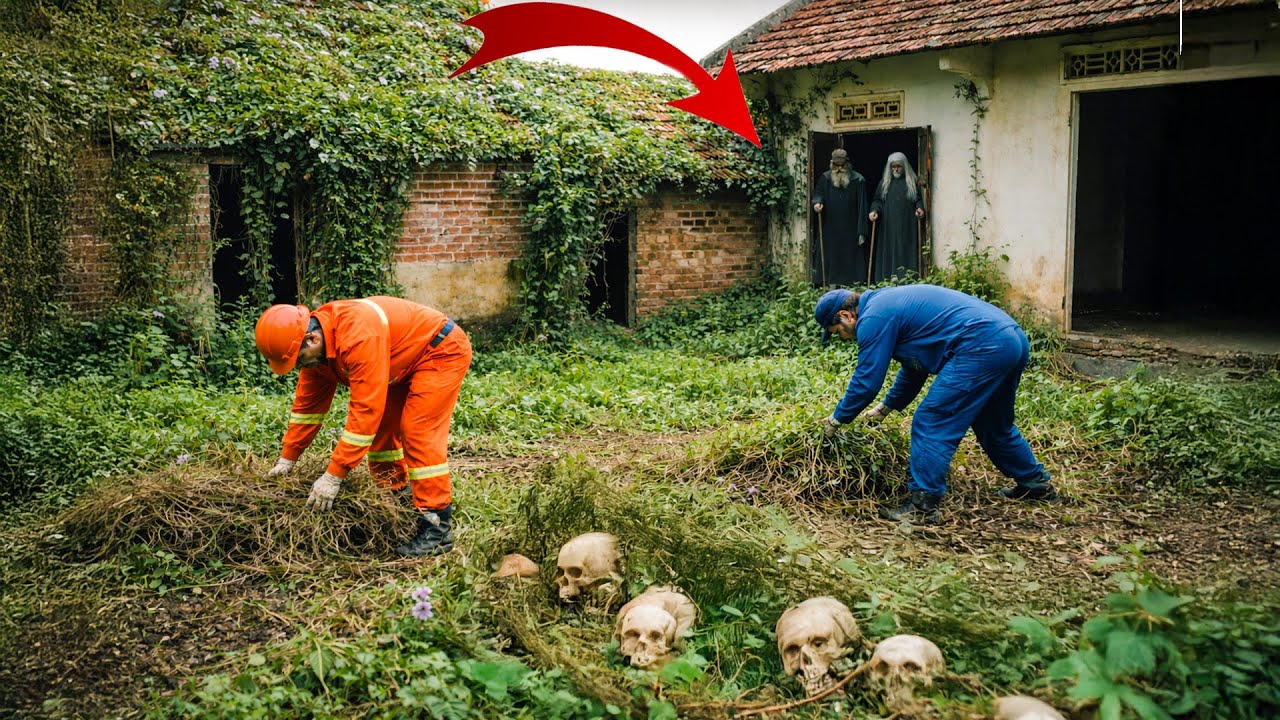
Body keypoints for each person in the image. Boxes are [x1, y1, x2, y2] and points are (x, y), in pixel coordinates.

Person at [813, 285, 1057, 523]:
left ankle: (923, 507)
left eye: (838, 332)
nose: (844, 338)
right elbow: (914, 366)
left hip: (981, 344)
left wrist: (837, 419)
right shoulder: (886, 303)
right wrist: (887, 406)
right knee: (992, 421)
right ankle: (1036, 485)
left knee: (931, 420)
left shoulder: (873, 317)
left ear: (846, 316)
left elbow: (867, 380)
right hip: (1009, 338)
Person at [254, 296, 472, 556]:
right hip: (398, 361)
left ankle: (437, 528)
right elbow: (306, 411)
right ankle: (398, 497)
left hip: (439, 350)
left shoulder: (357, 336)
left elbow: (365, 412)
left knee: (417, 433)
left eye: (298, 360)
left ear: (312, 339)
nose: (299, 367)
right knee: (382, 437)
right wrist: (286, 460)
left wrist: (334, 475)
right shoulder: (317, 353)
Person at [811, 148, 870, 286]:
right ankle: (830, 285)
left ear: (847, 164)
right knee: (832, 256)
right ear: (832, 164)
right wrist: (817, 202)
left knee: (849, 257)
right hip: (830, 226)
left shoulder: (858, 179)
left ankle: (852, 286)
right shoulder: (825, 178)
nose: (839, 168)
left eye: (842, 165)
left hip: (850, 226)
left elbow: (863, 205)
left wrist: (862, 230)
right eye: (836, 165)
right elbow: (818, 193)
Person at [868, 152, 925, 283]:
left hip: (907, 224)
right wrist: (874, 211)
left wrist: (920, 208)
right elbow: (878, 200)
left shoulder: (911, 182)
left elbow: (918, 199)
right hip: (889, 225)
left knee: (906, 250)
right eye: (893, 167)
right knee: (889, 250)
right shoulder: (885, 183)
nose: (896, 169)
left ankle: (908, 279)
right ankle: (888, 280)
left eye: (898, 166)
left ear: (904, 166)